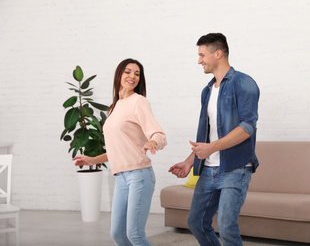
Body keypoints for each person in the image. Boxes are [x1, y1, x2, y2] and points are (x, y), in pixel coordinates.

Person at [169, 33, 260, 246]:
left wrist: (211, 148)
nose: (199, 60)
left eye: (202, 55)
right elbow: (207, 135)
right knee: (197, 222)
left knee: (227, 226)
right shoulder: (207, 90)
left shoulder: (244, 83)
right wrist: (190, 160)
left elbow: (247, 127)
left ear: (218, 53)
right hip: (209, 169)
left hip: (235, 167)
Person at [73, 58, 167, 246]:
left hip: (139, 176)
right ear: (119, 75)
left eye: (137, 74)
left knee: (134, 234)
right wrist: (92, 160)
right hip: (121, 178)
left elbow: (159, 134)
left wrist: (152, 141)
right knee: (117, 234)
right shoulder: (114, 107)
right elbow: (118, 149)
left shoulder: (138, 102)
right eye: (128, 71)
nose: (132, 76)